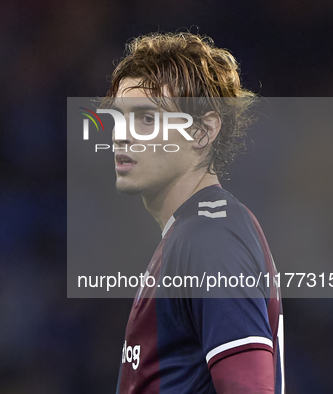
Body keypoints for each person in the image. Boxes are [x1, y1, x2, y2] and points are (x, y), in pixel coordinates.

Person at [107, 32, 284, 393]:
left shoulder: (210, 235)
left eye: (145, 119)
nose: (120, 135)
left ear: (203, 131)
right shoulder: (190, 233)